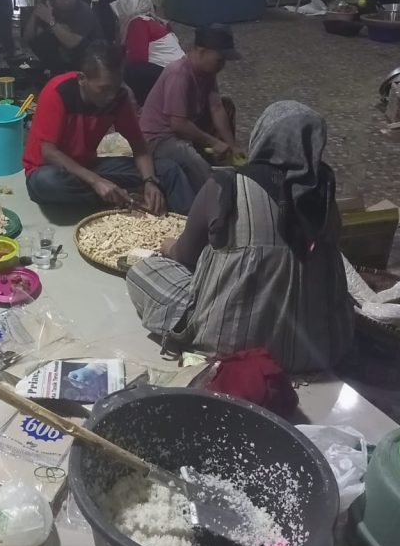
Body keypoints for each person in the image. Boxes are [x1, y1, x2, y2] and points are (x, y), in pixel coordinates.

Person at [126, 102, 353, 373]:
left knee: (144, 272)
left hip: (233, 345)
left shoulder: (228, 185)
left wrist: (169, 247)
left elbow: (185, 256)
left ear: (262, 136)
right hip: (320, 350)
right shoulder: (324, 198)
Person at [23, 42, 195, 215]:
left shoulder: (119, 97)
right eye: (104, 89)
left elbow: (139, 146)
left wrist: (150, 181)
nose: (111, 95)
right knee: (47, 182)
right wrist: (96, 181)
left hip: (88, 166)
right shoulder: (58, 92)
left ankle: (190, 225)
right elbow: (49, 153)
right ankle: (125, 199)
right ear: (82, 79)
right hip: (50, 169)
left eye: (116, 87)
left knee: (168, 169)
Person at [139, 25, 244, 192]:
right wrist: (213, 141)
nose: (222, 66)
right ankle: (213, 194)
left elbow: (216, 107)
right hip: (159, 138)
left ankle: (218, 156)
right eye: (219, 60)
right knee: (198, 166)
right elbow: (178, 124)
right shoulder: (179, 73)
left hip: (186, 125)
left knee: (226, 105)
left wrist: (232, 146)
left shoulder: (208, 72)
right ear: (201, 52)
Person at [23, 0, 105, 77]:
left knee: (79, 45)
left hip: (91, 60)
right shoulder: (51, 6)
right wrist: (35, 14)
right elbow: (28, 38)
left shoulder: (84, 11)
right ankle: (54, 73)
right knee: (42, 39)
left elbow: (72, 42)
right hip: (65, 58)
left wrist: (51, 21)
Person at [110, 0, 186, 105]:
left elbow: (137, 58)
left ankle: (141, 104)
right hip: (178, 70)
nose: (118, 20)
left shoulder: (138, 22)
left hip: (168, 72)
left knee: (128, 72)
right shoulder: (152, 20)